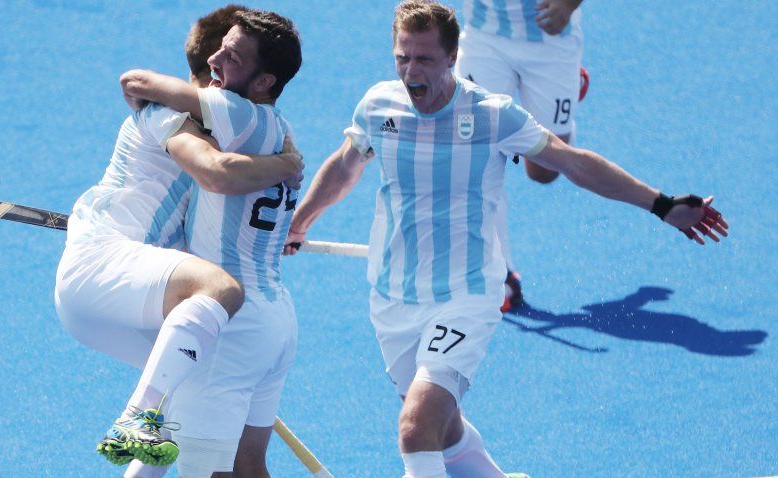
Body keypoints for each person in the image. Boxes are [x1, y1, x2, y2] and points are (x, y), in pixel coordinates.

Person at [284, 1, 728, 477]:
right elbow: (346, 165)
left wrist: (661, 205)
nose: (411, 72)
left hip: (466, 295)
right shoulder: (378, 105)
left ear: (453, 57)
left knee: (416, 428)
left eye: (425, 59)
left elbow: (574, 164)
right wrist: (299, 222)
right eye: (402, 58)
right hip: (391, 297)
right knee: (443, 430)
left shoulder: (493, 114)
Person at [53, 5, 302, 477]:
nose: (217, 67)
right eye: (218, 55)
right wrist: (286, 166)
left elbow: (220, 180)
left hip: (193, 302)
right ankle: (140, 416)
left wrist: (281, 173)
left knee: (200, 426)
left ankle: (143, 419)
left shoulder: (236, 120)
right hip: (109, 266)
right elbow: (215, 173)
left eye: (231, 58)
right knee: (214, 302)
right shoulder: (253, 126)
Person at [454, 0, 586, 309]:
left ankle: (568, 91)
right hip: (483, 39)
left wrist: (569, 4)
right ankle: (501, 273)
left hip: (550, 40)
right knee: (477, 158)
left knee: (543, 171)